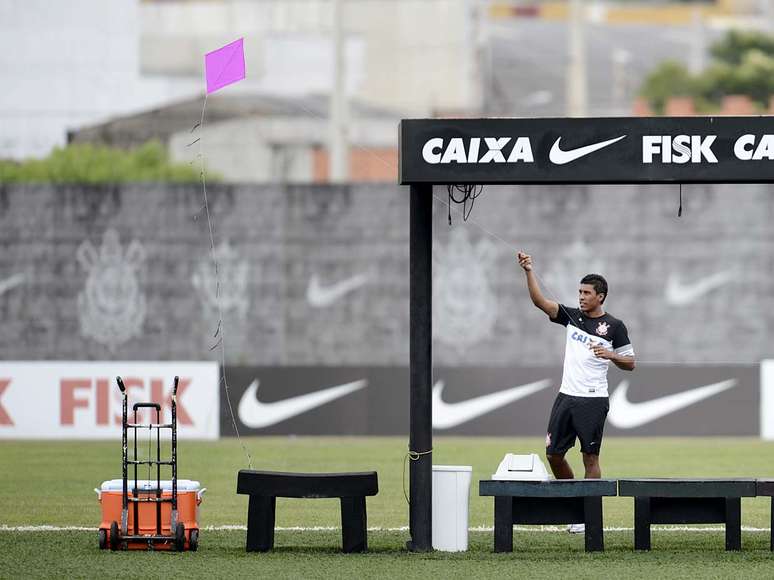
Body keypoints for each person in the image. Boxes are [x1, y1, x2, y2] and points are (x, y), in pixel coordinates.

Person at [517, 252, 635, 532]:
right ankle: (574, 507)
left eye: (586, 293)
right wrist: (529, 271)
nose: (581, 297)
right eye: (579, 292)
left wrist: (610, 354)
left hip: (593, 400)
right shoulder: (571, 316)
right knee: (553, 455)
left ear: (601, 296)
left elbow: (630, 363)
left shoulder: (615, 327)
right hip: (565, 397)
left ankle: (588, 515)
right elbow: (540, 302)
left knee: (590, 458)